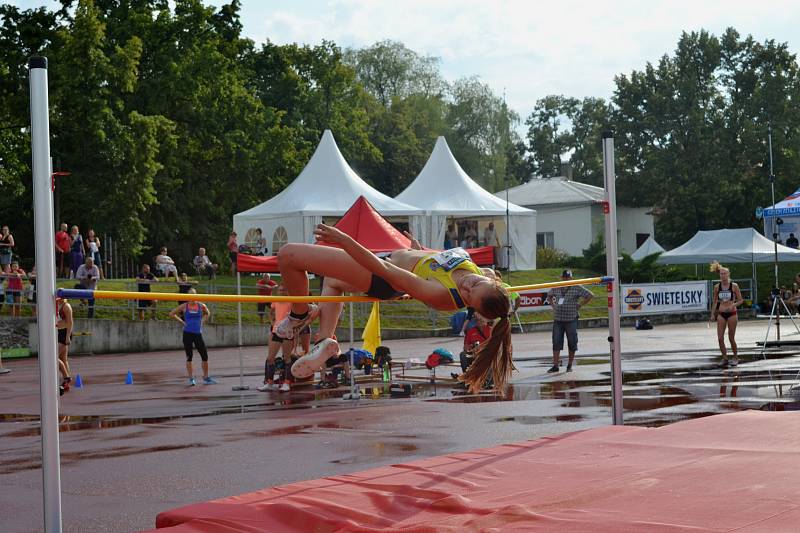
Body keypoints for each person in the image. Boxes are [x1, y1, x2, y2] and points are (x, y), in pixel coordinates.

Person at [276, 224, 512, 393]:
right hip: (393, 258)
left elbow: (386, 271)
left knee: (289, 255)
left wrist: (345, 241)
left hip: (383, 273)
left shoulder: (440, 293)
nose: (467, 286)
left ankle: (300, 313)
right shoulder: (485, 274)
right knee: (333, 281)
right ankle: (325, 340)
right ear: (493, 281)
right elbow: (442, 265)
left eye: (469, 297)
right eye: (476, 284)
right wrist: (418, 251)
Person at [546, 270, 593, 373]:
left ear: (571, 278)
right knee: (556, 341)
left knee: (572, 342)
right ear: (561, 277)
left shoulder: (577, 287)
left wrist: (580, 304)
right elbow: (549, 295)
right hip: (558, 319)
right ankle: (555, 366)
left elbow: (590, 295)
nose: (566, 279)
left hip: (571, 319)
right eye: (564, 277)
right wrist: (553, 305)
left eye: (568, 277)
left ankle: (569, 365)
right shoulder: (557, 286)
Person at [168, 289, 216, 386]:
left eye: (194, 295)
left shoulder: (201, 305)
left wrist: (202, 321)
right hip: (187, 334)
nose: (192, 298)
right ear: (188, 296)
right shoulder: (185, 306)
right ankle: (191, 378)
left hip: (198, 334)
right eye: (190, 296)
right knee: (189, 357)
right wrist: (182, 322)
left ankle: (206, 377)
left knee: (204, 356)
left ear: (196, 296)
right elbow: (172, 313)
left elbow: (208, 313)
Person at [258, 285, 297, 392]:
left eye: (284, 289)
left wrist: (293, 326)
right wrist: (272, 322)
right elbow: (271, 312)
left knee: (287, 358)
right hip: (276, 331)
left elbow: (298, 316)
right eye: (280, 290)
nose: (282, 291)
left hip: (287, 332)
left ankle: (287, 383)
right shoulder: (275, 300)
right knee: (270, 358)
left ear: (287, 291)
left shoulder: (291, 301)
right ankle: (269, 382)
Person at [710, 261, 743, 367]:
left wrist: (733, 305)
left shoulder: (734, 286)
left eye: (725, 273)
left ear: (729, 274)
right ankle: (724, 358)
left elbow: (741, 300)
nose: (723, 275)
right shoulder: (717, 287)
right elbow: (715, 302)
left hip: (732, 314)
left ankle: (735, 357)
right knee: (720, 338)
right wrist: (712, 314)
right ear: (719, 275)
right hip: (721, 314)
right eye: (721, 274)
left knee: (731, 337)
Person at [56, 297, 73, 394]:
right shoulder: (56, 304)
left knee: (53, 358)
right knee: (63, 359)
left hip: (65, 334)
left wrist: (67, 337)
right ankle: (67, 384)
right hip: (59, 332)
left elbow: (70, 323)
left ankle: (66, 377)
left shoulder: (66, 307)